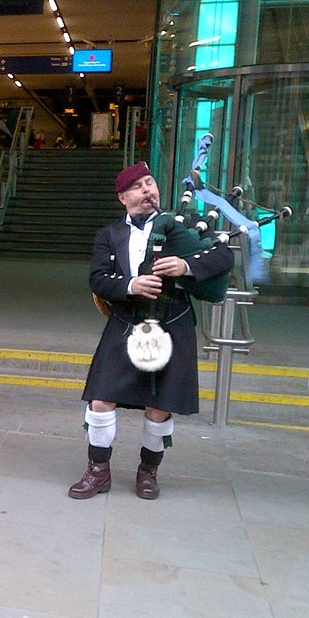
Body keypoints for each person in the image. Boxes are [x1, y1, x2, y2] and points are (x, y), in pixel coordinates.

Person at [70, 161, 234, 500]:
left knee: (159, 407)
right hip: (127, 322)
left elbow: (222, 257)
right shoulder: (109, 235)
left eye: (151, 183)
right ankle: (98, 471)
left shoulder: (177, 226)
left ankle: (148, 471)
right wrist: (131, 285)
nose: (148, 191)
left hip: (172, 324)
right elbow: (97, 278)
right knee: (100, 400)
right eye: (139, 187)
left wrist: (186, 266)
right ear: (123, 197)